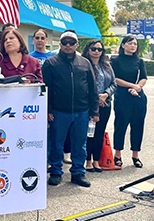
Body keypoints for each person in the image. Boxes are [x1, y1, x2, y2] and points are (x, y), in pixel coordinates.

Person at [42, 30, 99, 188]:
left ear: (77, 45)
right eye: (65, 42)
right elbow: (46, 88)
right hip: (59, 112)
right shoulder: (51, 63)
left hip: (82, 111)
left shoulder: (85, 63)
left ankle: (78, 172)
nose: (68, 45)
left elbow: (93, 89)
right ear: (60, 44)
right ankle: (55, 172)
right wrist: (48, 110)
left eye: (71, 42)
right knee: (56, 143)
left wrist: (94, 111)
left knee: (80, 144)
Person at [111, 35, 148, 168]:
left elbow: (143, 78)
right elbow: (115, 79)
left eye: (135, 44)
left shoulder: (140, 61)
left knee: (138, 126)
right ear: (123, 45)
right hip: (122, 96)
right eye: (130, 43)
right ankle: (118, 154)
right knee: (121, 125)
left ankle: (135, 155)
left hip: (138, 97)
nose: (133, 46)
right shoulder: (115, 60)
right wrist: (132, 86)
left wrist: (138, 87)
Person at [82, 40, 116, 172]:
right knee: (89, 133)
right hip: (90, 105)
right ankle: (88, 161)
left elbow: (114, 83)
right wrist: (96, 98)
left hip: (105, 104)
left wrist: (106, 95)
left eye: (99, 49)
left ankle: (96, 160)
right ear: (88, 50)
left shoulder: (106, 65)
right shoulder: (84, 64)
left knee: (99, 133)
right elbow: (83, 85)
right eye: (93, 49)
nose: (96, 52)